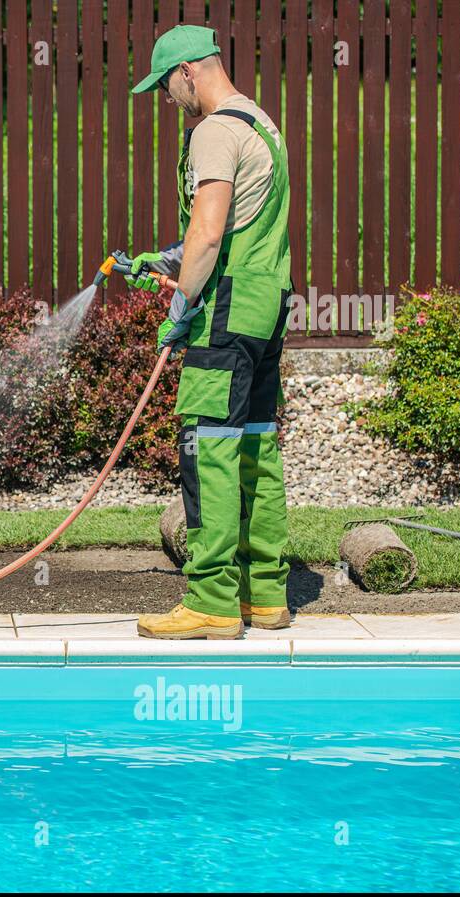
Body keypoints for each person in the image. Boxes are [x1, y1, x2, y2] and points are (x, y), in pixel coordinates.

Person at [127, 25, 293, 640]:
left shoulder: (215, 131)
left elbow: (210, 231)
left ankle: (213, 602)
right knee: (256, 444)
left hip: (225, 312)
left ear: (189, 71)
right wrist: (164, 262)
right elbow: (240, 226)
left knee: (208, 448)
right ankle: (266, 593)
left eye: (166, 86)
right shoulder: (261, 123)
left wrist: (182, 304)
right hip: (266, 306)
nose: (168, 100)